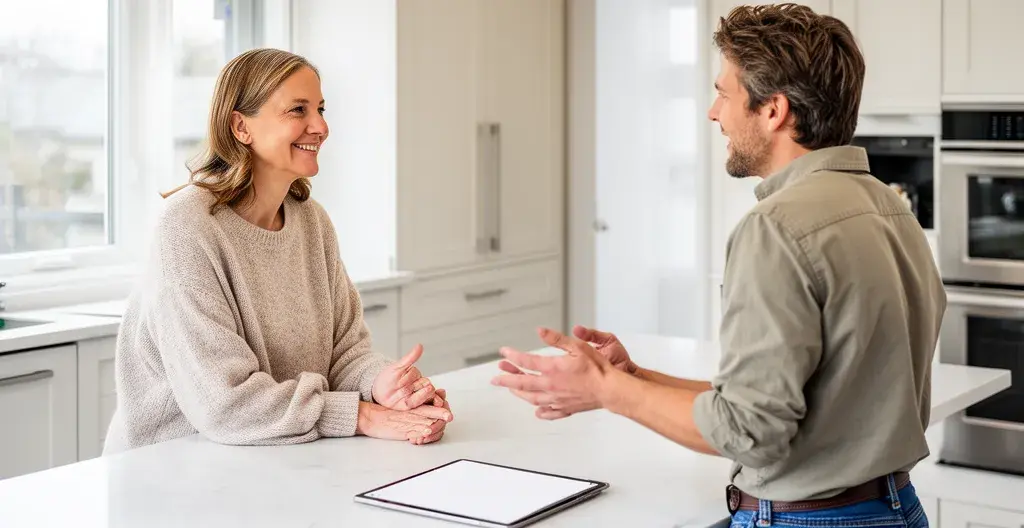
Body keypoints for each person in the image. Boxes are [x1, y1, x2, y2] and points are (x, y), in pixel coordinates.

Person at [491, 4, 945, 527]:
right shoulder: (890, 207)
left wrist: (606, 390)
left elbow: (748, 431)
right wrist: (636, 377)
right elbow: (793, 401)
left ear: (773, 110)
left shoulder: (776, 227)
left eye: (724, 93)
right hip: (896, 510)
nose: (713, 112)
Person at [104, 48, 453, 454]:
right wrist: (361, 414)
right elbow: (225, 404)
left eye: (321, 108)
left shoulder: (311, 221)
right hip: (172, 467)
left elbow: (344, 353)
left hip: (273, 456)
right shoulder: (186, 226)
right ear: (240, 127)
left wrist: (382, 386)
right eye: (298, 110)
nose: (320, 126)